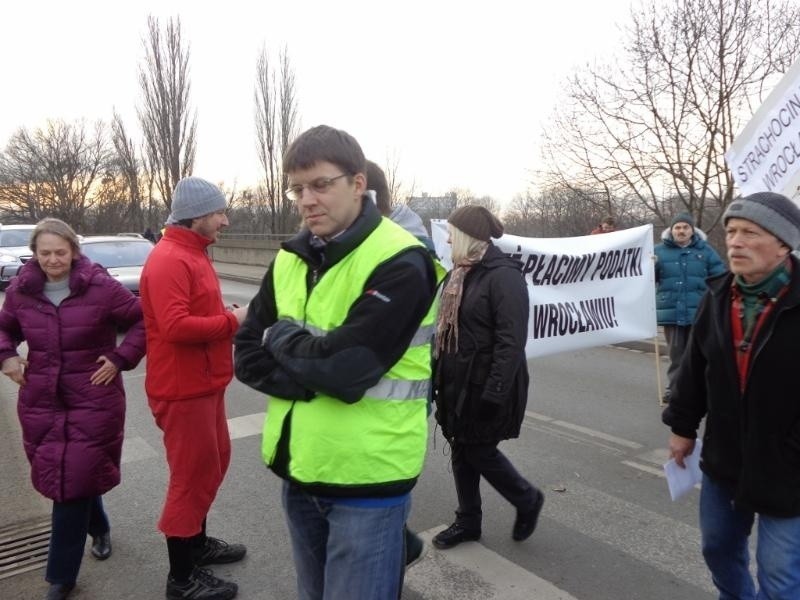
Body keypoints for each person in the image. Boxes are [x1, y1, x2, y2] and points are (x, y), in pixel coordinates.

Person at [234, 125, 438, 600]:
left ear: (358, 183)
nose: (307, 200)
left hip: (368, 477)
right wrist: (310, 373)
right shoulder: (291, 257)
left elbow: (347, 370)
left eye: (321, 185)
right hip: (301, 468)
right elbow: (246, 354)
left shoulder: (401, 260)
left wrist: (280, 336)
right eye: (297, 188)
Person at [663, 191, 800, 599]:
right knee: (718, 550)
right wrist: (682, 427)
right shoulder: (718, 294)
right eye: (731, 231)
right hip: (725, 459)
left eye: (749, 233)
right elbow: (693, 369)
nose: (735, 242)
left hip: (788, 467)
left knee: (780, 577)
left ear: (782, 243)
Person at [0, 218, 145, 600]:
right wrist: (7, 357)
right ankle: (99, 527)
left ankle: (60, 577)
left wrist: (119, 358)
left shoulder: (100, 287)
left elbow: (143, 319)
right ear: (34, 254)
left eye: (60, 252)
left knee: (70, 480)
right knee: (69, 475)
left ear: (74, 252)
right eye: (44, 253)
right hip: (41, 400)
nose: (52, 260)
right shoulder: (21, 291)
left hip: (93, 398)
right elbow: (4, 329)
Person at [140, 177, 248, 600]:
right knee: (189, 480)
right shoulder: (170, 259)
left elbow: (193, 310)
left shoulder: (193, 253)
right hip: (183, 390)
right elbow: (175, 326)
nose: (225, 220)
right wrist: (232, 322)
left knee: (213, 465)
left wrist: (223, 315)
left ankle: (197, 546)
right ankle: (181, 580)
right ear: (198, 214)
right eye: (219, 212)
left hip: (204, 384)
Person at [431, 205, 544, 550]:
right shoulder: (459, 273)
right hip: (456, 381)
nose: (448, 239)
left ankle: (527, 499)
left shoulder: (504, 276)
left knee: (478, 450)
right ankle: (468, 520)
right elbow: (446, 332)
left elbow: (511, 342)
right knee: (462, 449)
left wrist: (494, 392)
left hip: (486, 385)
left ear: (468, 237)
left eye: (453, 233)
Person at [654, 212, 725, 403]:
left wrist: (717, 301)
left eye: (685, 227)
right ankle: (675, 389)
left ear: (692, 230)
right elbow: (649, 279)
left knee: (700, 354)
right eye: (677, 227)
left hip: (700, 312)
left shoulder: (706, 251)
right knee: (677, 354)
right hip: (671, 311)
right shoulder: (658, 252)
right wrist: (650, 266)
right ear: (671, 230)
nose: (681, 231)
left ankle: (701, 389)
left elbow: (720, 278)